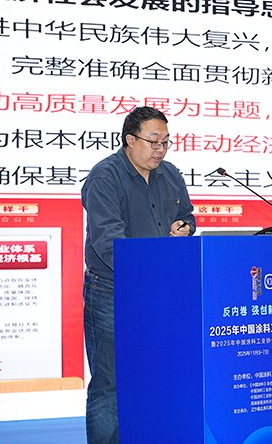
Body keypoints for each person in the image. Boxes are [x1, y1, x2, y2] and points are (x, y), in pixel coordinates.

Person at [81, 106, 196, 444]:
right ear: (130, 140)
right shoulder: (105, 177)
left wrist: (185, 226)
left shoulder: (170, 174)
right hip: (112, 292)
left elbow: (187, 214)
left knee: (157, 377)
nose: (161, 149)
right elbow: (109, 242)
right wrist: (146, 276)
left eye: (166, 142)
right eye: (153, 141)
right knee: (109, 385)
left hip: (162, 291)